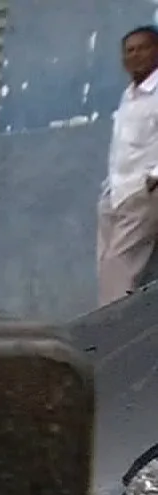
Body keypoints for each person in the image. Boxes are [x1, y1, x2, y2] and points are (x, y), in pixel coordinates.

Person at [99, 25, 158, 305]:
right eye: (129, 51)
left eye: (143, 48)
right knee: (107, 266)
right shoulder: (129, 95)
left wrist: (155, 177)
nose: (135, 55)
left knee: (118, 268)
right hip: (115, 192)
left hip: (142, 192)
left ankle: (107, 336)